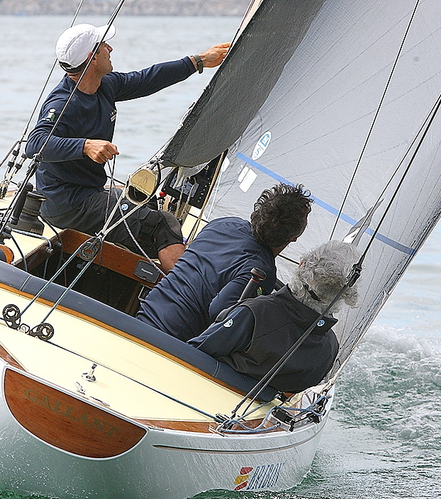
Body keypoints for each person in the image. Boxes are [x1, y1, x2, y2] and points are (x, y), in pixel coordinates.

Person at [25, 23, 230, 272]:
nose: (110, 48)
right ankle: (185, 293)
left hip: (89, 194)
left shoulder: (105, 85)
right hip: (68, 206)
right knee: (162, 224)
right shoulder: (63, 104)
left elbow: (146, 79)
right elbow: (35, 144)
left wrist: (198, 61)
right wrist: (85, 146)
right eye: (104, 46)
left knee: (148, 203)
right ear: (92, 57)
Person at [136, 184, 313, 341]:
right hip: (170, 339)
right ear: (294, 238)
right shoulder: (261, 271)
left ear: (258, 213)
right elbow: (221, 314)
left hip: (145, 313)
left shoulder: (223, 224)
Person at [188, 240, 361, 393]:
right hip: (257, 422)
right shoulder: (330, 348)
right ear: (346, 294)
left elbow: (192, 354)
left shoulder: (256, 313)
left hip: (203, 395)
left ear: (301, 265)